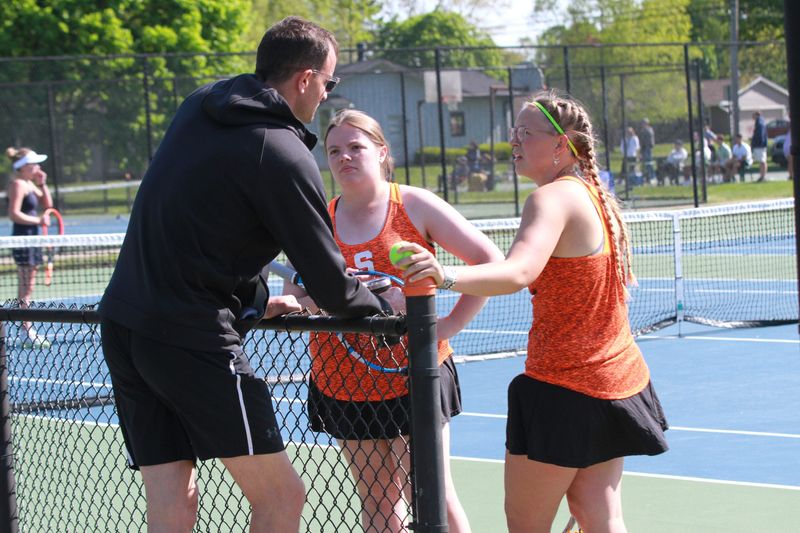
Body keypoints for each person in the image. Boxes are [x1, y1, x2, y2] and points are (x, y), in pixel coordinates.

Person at [98, 17, 403, 533]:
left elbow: (206, 222)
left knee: (173, 494)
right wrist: (385, 316)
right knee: (283, 497)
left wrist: (255, 303)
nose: (327, 95)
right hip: (191, 336)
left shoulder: (200, 104)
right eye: (328, 83)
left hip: (125, 325)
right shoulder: (281, 151)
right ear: (305, 78)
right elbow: (329, 284)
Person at [395, 91, 669, 533]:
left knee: (526, 525)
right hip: (616, 381)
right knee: (600, 515)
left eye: (526, 133)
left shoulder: (550, 200)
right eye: (513, 132)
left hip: (564, 389)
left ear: (561, 145)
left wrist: (441, 274)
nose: (514, 142)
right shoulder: (592, 194)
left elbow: (519, 271)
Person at [283, 109, 503, 533]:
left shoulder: (412, 205)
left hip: (412, 378)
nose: (344, 157)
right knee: (379, 502)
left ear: (382, 152)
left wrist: (451, 325)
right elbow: (298, 292)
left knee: (433, 495)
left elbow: (489, 261)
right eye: (334, 151)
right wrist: (304, 302)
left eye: (355, 147)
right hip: (342, 382)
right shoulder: (319, 218)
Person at [6, 146, 53, 348]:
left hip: (32, 238)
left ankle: (25, 326)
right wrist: (38, 221)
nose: (38, 166)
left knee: (29, 285)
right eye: (34, 163)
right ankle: (26, 328)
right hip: (23, 238)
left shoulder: (29, 184)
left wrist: (42, 184)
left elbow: (48, 205)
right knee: (26, 285)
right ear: (24, 166)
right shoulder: (18, 184)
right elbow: (13, 214)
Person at [750, 111, 768, 182]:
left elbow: (760, 134)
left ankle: (762, 176)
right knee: (762, 161)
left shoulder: (760, 122)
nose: (752, 117)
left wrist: (756, 143)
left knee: (762, 161)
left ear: (757, 115)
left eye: (753, 115)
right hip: (761, 144)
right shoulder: (760, 121)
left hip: (760, 145)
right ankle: (762, 176)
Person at [639, 118, 655, 183]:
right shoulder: (643, 130)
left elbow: (649, 141)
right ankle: (646, 177)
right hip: (643, 148)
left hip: (647, 148)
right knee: (644, 164)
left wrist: (646, 146)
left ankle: (652, 177)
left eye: (644, 123)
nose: (642, 124)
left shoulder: (649, 130)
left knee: (649, 163)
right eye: (642, 123)